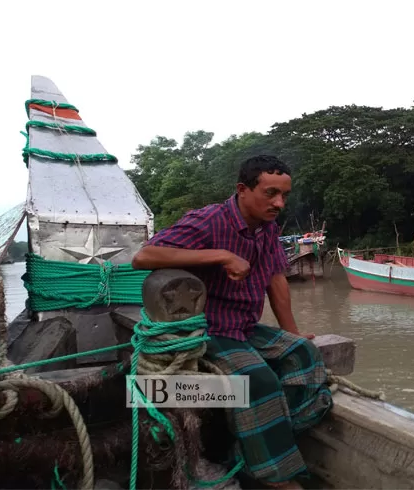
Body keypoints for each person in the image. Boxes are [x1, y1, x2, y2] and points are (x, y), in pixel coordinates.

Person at [131, 155, 332, 489]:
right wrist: (220, 255)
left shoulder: (267, 228)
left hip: (244, 326)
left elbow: (276, 279)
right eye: (270, 194)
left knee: (304, 355)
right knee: (257, 381)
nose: (279, 203)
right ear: (242, 189)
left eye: (284, 195)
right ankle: (278, 477)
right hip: (210, 329)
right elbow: (144, 256)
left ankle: (255, 446)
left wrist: (291, 332)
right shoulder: (209, 221)